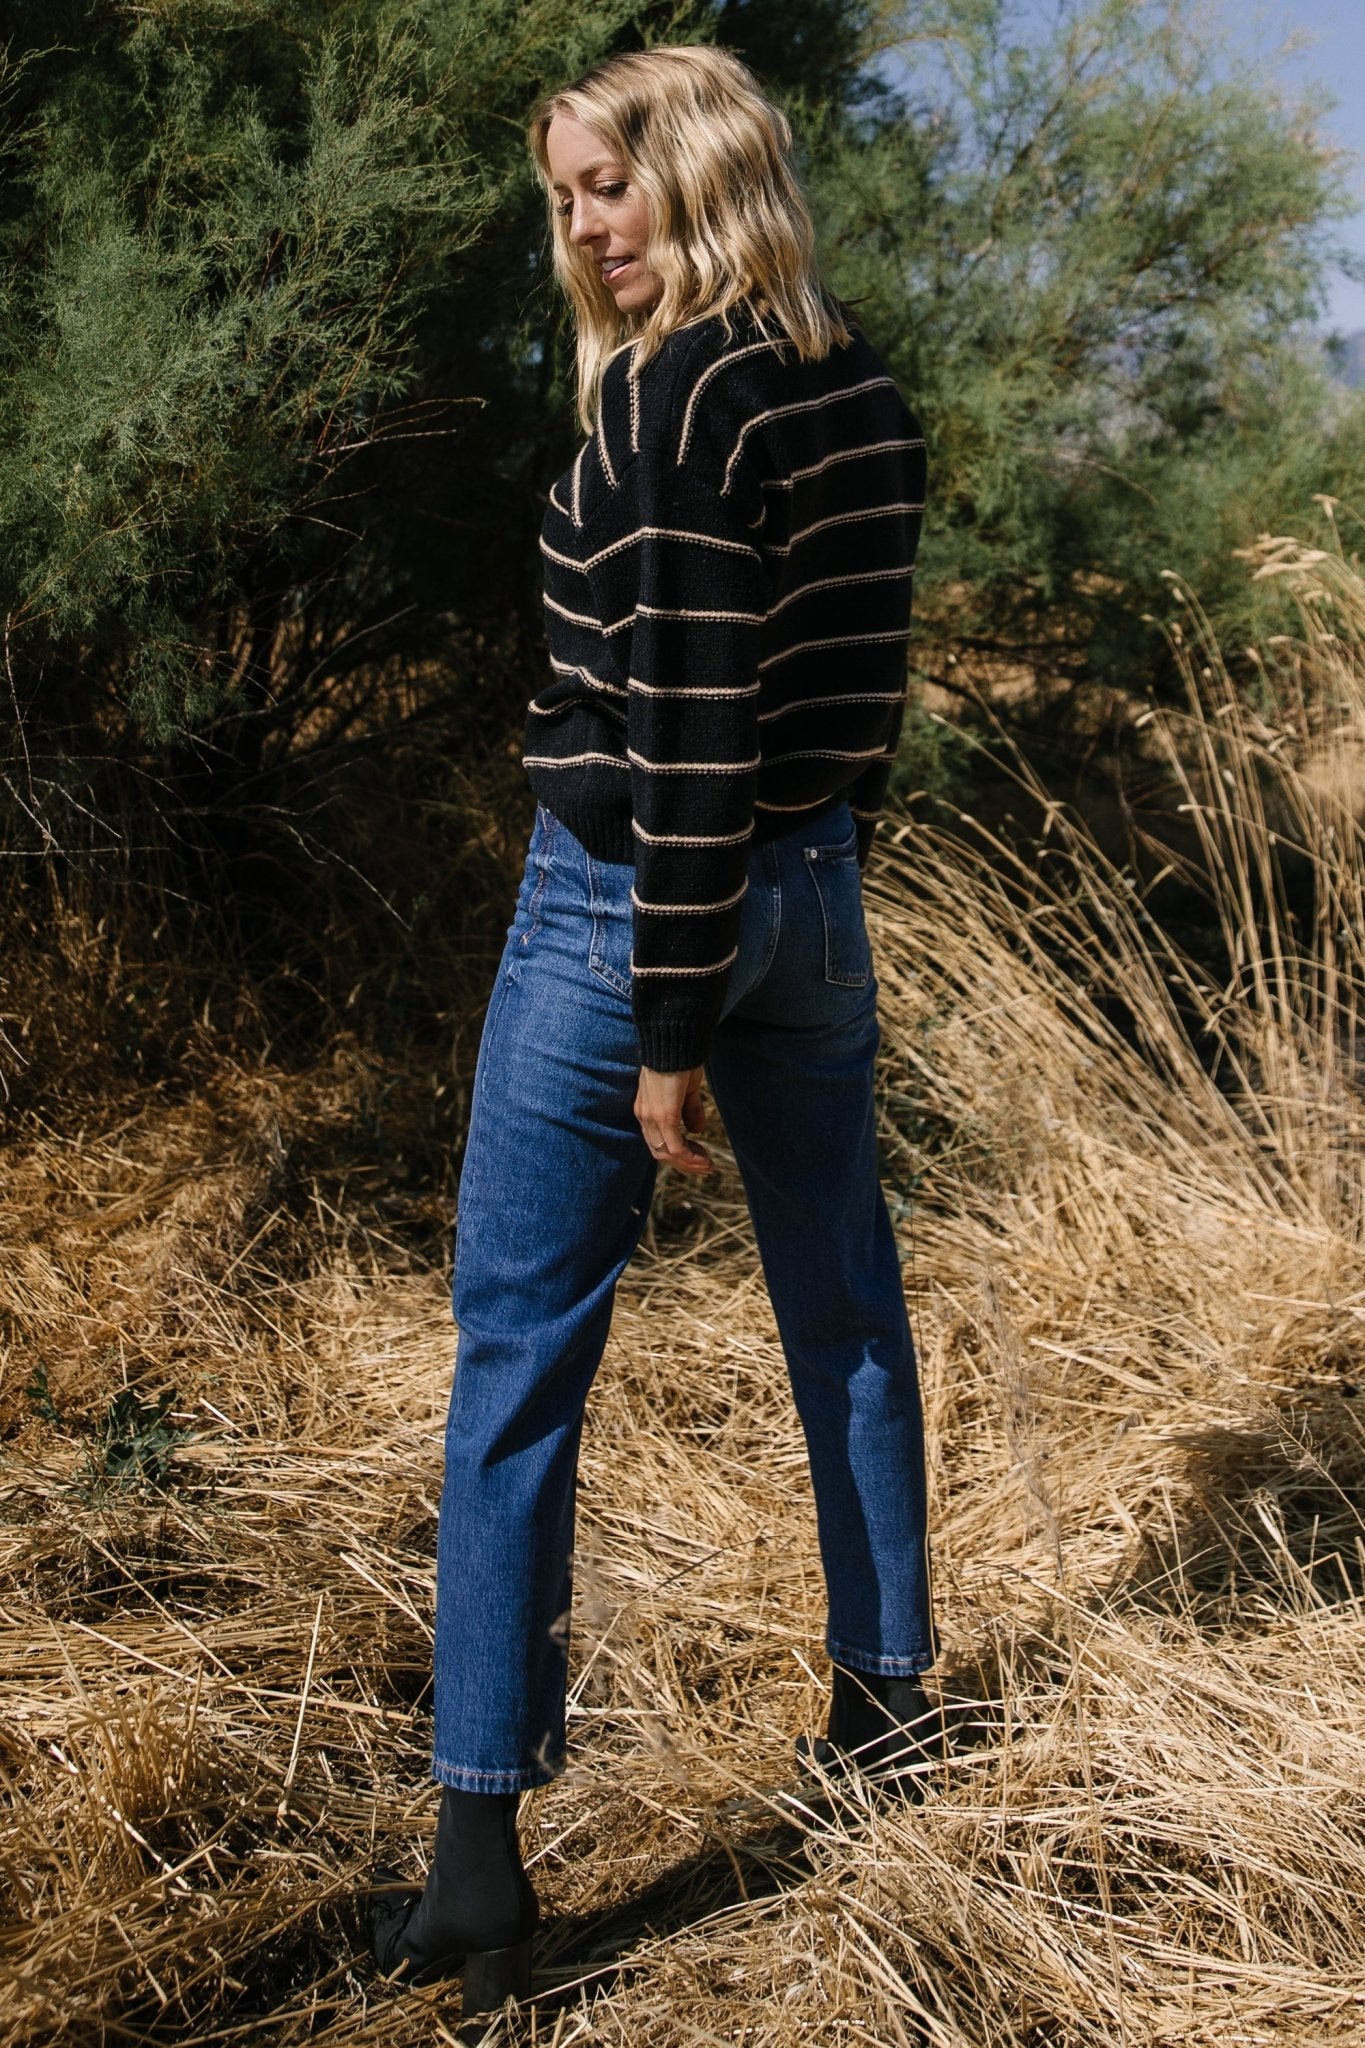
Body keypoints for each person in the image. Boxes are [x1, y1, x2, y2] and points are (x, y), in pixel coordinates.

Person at [371, 41, 933, 2020]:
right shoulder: (855, 382)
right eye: (563, 197)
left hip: (635, 910)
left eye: (607, 182)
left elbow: (689, 736)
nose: (585, 228)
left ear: (699, 164)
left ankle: (474, 1862)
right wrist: (793, 883)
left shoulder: (680, 400)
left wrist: (666, 1025)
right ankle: (887, 1709)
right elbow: (847, 677)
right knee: (842, 1299)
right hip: (815, 886)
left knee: (518, 1347)